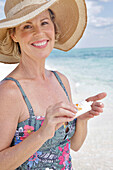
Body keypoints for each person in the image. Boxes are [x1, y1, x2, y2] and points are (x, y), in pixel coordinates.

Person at [0, 0, 107, 169]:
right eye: (27, 26)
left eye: (44, 23)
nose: (39, 32)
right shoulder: (10, 91)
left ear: (54, 28)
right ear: (14, 35)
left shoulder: (61, 80)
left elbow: (74, 145)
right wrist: (42, 134)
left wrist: (82, 119)